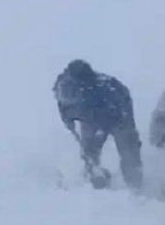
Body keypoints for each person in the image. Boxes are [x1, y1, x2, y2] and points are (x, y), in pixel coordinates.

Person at [53, 59, 142, 189]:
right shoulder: (63, 86)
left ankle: (135, 182)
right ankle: (94, 176)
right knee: (89, 149)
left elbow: (113, 114)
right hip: (90, 114)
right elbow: (63, 106)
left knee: (127, 145)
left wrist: (101, 130)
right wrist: (68, 121)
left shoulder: (106, 89)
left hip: (119, 111)